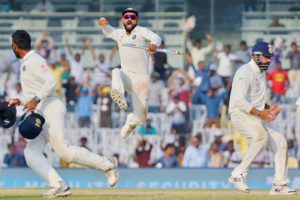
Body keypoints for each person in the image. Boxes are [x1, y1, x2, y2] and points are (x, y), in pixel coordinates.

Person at [8, 30, 119, 198]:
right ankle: (58, 184)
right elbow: (33, 92)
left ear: (15, 46)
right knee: (31, 153)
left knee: (64, 152)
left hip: (50, 107)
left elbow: (51, 81)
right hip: (40, 110)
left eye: (12, 45)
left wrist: (35, 99)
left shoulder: (34, 59)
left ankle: (108, 165)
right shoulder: (26, 62)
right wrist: (20, 100)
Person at [228, 41, 296, 195]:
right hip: (240, 114)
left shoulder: (262, 74)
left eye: (270, 57)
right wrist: (260, 113)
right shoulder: (244, 71)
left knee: (280, 142)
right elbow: (239, 100)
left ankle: (280, 185)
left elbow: (257, 100)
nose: (269, 60)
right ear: (256, 56)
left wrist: (268, 108)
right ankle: (238, 174)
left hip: (254, 116)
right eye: (266, 57)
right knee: (261, 136)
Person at [98, 8, 161, 138]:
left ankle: (131, 123)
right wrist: (103, 24)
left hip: (141, 79)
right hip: (126, 75)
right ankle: (119, 94)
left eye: (132, 17)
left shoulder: (142, 31)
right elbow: (109, 31)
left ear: (136, 20)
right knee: (116, 71)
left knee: (141, 118)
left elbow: (156, 37)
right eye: (126, 17)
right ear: (123, 19)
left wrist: (154, 44)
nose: (129, 19)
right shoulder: (119, 34)